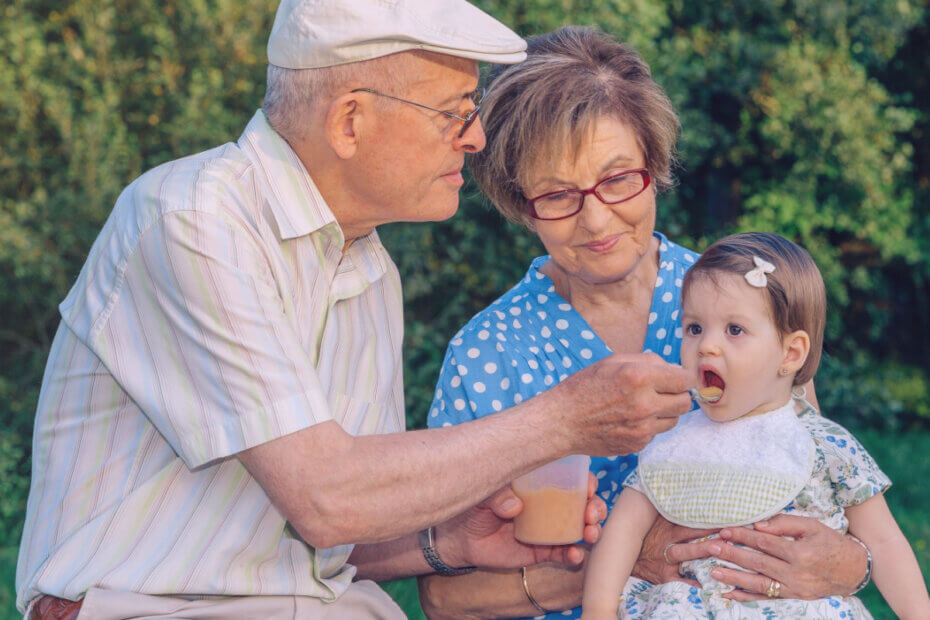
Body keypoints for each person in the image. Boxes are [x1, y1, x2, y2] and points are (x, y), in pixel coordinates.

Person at [15, 3, 701, 619]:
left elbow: (340, 530)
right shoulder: (195, 218)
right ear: (350, 120)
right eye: (455, 110)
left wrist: (444, 539)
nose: (475, 138)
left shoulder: (368, 269)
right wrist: (566, 419)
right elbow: (329, 497)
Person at [420, 27, 873, 620]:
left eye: (616, 179)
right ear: (518, 201)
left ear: (654, 164)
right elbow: (444, 599)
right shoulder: (487, 355)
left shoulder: (743, 307)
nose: (595, 219)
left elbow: (828, 492)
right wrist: (622, 560)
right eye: (557, 194)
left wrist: (852, 563)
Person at [581, 232, 930, 619]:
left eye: (734, 330)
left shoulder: (825, 444)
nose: (706, 346)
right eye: (695, 328)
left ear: (791, 352)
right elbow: (622, 533)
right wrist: (598, 610)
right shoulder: (673, 439)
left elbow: (883, 541)